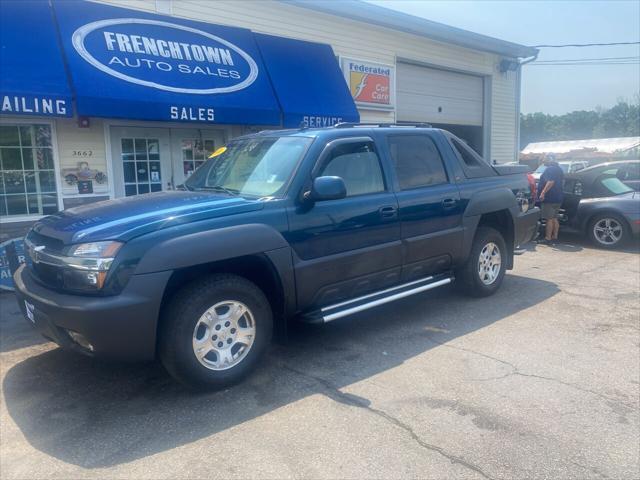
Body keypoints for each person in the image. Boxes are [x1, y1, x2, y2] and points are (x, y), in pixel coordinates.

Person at [537, 154, 564, 245]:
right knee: (554, 218)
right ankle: (555, 237)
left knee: (549, 219)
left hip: (550, 198)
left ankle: (548, 238)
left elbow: (550, 181)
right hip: (558, 197)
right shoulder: (559, 169)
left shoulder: (550, 169)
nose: (543, 161)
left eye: (544, 159)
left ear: (550, 159)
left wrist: (543, 193)